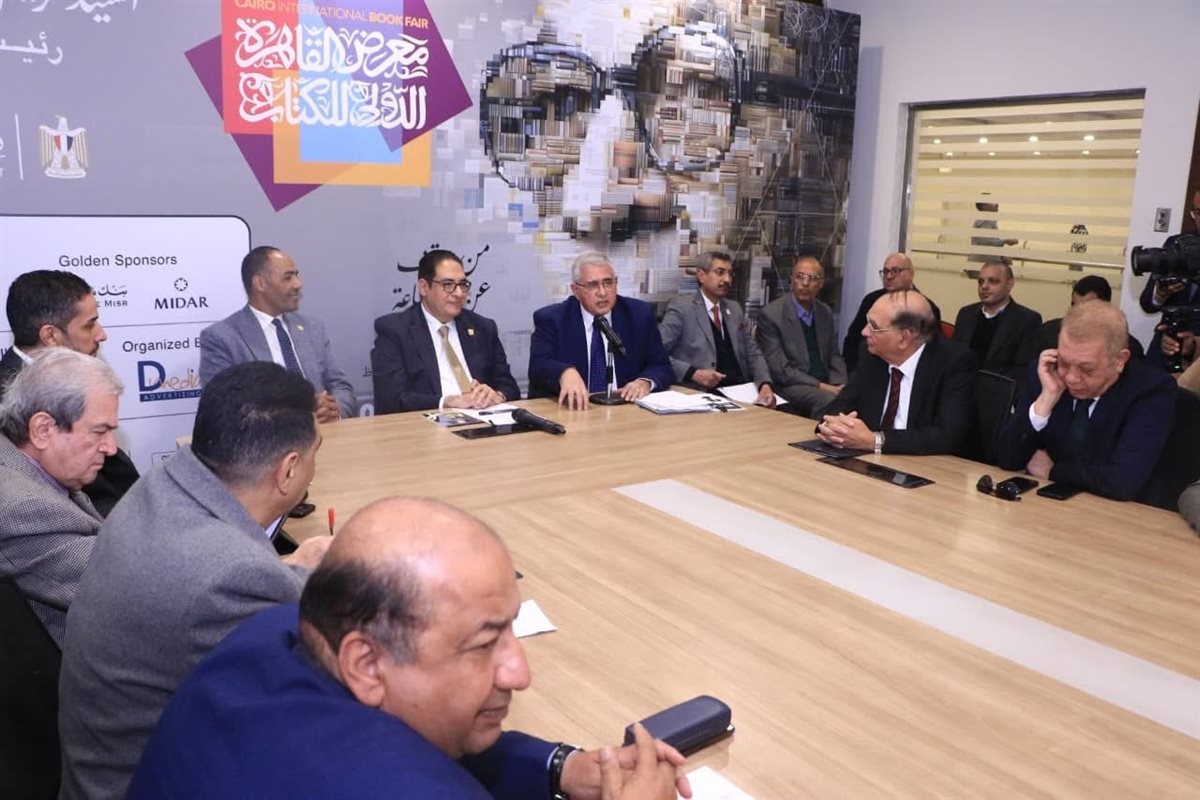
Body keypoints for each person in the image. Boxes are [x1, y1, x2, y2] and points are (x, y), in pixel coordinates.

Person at [128, 497, 690, 800]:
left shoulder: (271, 634)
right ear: (366, 663)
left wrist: (561, 768)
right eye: (483, 644)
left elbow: (416, 731)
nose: (520, 673)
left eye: (511, 629)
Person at [58, 362, 333, 800]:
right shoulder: (230, 575)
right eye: (317, 450)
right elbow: (315, 705)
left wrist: (296, 570)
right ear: (288, 470)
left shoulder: (162, 486)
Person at [0, 349, 120, 648]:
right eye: (100, 431)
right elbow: (127, 586)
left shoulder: (37, 471)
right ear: (42, 429)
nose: (111, 448)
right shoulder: (22, 507)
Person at [995, 302, 1175, 501]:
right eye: (1064, 362)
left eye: (1086, 369)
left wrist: (1053, 471)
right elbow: (1007, 458)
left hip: (1113, 513)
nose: (1071, 378)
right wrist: (1046, 399)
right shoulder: (1047, 372)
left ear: (1120, 360)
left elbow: (1121, 482)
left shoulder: (1151, 390)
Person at [2, 270, 138, 516]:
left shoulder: (84, 378)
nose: (101, 334)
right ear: (50, 335)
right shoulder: (6, 402)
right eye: (89, 325)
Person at [199, 246, 356, 422]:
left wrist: (335, 411)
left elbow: (340, 386)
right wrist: (299, 414)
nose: (298, 284)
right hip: (266, 438)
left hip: (326, 433)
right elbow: (222, 407)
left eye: (296, 275)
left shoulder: (313, 328)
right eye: (288, 277)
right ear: (260, 283)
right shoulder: (222, 338)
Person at [818, 291, 976, 455]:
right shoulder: (871, 354)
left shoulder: (954, 362)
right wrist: (833, 427)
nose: (864, 332)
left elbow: (947, 436)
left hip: (924, 463)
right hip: (868, 459)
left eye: (874, 327)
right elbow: (837, 409)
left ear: (903, 338)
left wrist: (875, 441)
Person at [371, 249, 520, 413]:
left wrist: (497, 395)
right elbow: (391, 399)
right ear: (424, 287)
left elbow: (509, 386)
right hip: (426, 424)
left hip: (484, 419)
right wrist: (447, 402)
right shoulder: (395, 331)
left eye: (463, 285)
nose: (459, 293)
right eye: (448, 285)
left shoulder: (483, 328)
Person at [529, 252, 672, 409]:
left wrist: (645, 382)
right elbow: (538, 366)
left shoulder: (639, 315)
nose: (602, 293)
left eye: (608, 283)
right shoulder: (553, 319)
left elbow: (661, 365)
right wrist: (564, 372)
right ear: (575, 290)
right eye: (592, 285)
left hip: (626, 409)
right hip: (576, 410)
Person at [658, 250, 774, 406]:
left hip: (743, 392)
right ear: (701, 275)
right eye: (720, 272)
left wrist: (764, 384)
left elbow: (753, 353)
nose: (727, 279)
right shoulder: (682, 308)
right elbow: (657, 353)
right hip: (703, 394)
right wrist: (693, 373)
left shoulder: (735, 309)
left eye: (730, 274)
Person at [754, 256, 845, 416]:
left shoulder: (824, 312)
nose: (805, 283)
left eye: (812, 278)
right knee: (828, 400)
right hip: (790, 385)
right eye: (800, 277)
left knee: (855, 396)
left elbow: (834, 355)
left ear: (821, 284)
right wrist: (822, 386)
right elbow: (781, 371)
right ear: (792, 280)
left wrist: (841, 384)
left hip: (824, 381)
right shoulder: (772, 314)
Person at [842, 252, 942, 374]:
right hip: (870, 370)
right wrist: (855, 375)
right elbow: (852, 342)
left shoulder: (925, 308)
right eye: (885, 272)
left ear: (911, 274)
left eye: (895, 271)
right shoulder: (871, 300)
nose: (889, 276)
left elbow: (932, 351)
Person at [1138, 188, 1200, 371]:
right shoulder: (1176, 245)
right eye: (1198, 212)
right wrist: (1159, 295)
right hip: (1162, 351)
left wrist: (1195, 344)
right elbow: (1147, 303)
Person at [952, 261, 1042, 380]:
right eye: (981, 282)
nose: (984, 286)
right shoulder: (966, 314)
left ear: (1009, 284)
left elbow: (1023, 369)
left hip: (999, 388)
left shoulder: (1027, 320)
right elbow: (953, 357)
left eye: (993, 281)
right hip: (960, 384)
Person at [1036, 275, 1145, 358]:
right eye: (1074, 306)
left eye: (1086, 309)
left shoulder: (1126, 347)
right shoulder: (1048, 334)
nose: (1078, 315)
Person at [969, 198, 1020, 263]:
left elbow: (988, 246)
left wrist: (1001, 257)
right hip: (982, 265)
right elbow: (986, 243)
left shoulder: (985, 220)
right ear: (984, 206)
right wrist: (1005, 241)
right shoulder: (985, 221)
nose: (996, 204)